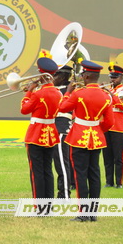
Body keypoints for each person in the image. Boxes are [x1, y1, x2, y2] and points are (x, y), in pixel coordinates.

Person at [59, 61, 114, 221]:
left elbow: (62, 108)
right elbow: (109, 122)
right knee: (94, 174)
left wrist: (68, 92)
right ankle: (92, 213)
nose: (82, 77)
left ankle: (83, 213)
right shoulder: (105, 96)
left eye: (83, 75)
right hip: (96, 137)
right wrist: (96, 129)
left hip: (79, 137)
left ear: (88, 76)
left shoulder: (78, 93)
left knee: (80, 175)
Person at [20, 55, 62, 198]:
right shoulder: (58, 93)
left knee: (36, 171)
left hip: (36, 135)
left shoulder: (37, 94)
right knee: (47, 170)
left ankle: (40, 205)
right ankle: (48, 203)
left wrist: (29, 91)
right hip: (51, 134)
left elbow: (24, 109)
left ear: (41, 74)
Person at [102, 64, 123, 189]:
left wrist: (113, 96)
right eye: (111, 77)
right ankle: (109, 181)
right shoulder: (106, 90)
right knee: (107, 156)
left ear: (121, 77)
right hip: (106, 127)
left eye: (115, 77)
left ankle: (119, 182)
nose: (112, 80)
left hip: (118, 127)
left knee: (118, 157)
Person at [52, 66, 74, 198]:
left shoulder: (69, 90)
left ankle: (64, 194)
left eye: (56, 76)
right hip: (51, 128)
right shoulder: (55, 89)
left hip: (61, 128)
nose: (53, 78)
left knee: (61, 164)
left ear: (64, 77)